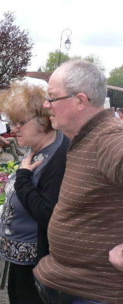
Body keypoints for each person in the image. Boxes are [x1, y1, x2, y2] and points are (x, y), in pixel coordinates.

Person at [34, 59, 123, 304]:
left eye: (52, 98)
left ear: (80, 101)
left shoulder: (107, 138)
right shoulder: (86, 137)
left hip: (93, 293)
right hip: (70, 286)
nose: (46, 105)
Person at [0, 82, 70, 304]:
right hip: (18, 258)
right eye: (12, 122)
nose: (13, 129)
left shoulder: (59, 157)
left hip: (36, 264)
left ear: (43, 120)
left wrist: (22, 178)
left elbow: (48, 214)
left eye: (20, 122)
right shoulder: (35, 147)